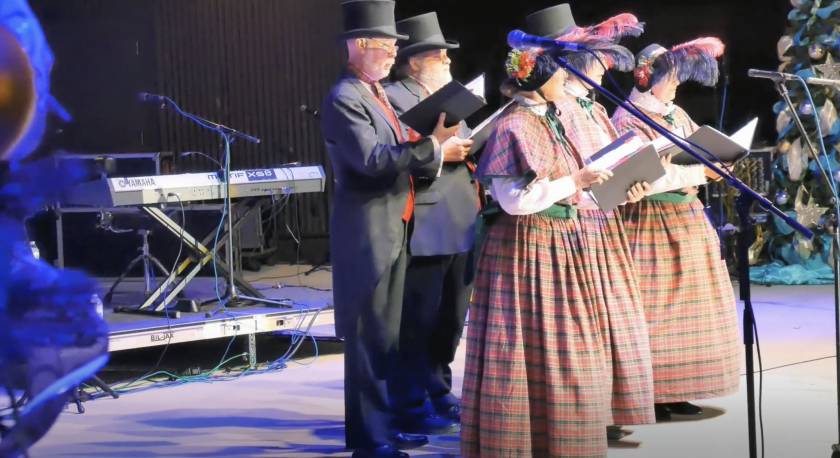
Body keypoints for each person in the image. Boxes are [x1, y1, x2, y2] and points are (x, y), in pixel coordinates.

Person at [319, 1, 470, 456]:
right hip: (369, 234)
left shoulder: (373, 93)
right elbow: (372, 163)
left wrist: (428, 148)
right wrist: (434, 146)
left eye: (393, 48)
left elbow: (396, 152)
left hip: (394, 228)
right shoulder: (345, 96)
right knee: (368, 343)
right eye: (385, 47)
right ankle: (370, 442)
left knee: (388, 338)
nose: (391, 55)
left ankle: (386, 425)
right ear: (359, 45)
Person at [461, 47, 617, 458]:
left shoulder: (550, 118)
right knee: (526, 348)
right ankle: (520, 441)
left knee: (565, 346)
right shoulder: (514, 125)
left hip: (559, 240)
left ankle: (561, 439)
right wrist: (576, 180)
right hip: (526, 245)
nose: (566, 81)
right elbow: (514, 201)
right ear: (540, 80)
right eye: (560, 75)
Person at [525, 4, 657, 434]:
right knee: (582, 329)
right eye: (595, 57)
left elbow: (611, 162)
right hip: (573, 227)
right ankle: (586, 415)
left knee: (612, 323)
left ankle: (609, 410)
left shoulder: (594, 108)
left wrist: (630, 186)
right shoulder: (552, 111)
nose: (603, 66)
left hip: (604, 221)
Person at [611, 38, 741, 422]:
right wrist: (696, 173)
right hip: (650, 221)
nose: (677, 84)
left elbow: (691, 157)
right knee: (657, 307)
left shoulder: (676, 113)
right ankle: (654, 393)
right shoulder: (628, 118)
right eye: (671, 77)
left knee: (689, 309)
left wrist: (711, 167)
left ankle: (680, 388)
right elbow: (644, 177)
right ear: (647, 78)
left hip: (687, 218)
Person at [383, 11, 477, 429]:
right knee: (418, 318)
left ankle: (439, 390)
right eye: (441, 55)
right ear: (415, 60)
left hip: (462, 214)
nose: (448, 62)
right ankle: (409, 404)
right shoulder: (392, 96)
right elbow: (393, 157)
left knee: (451, 318)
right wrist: (441, 155)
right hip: (425, 217)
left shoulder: (448, 94)